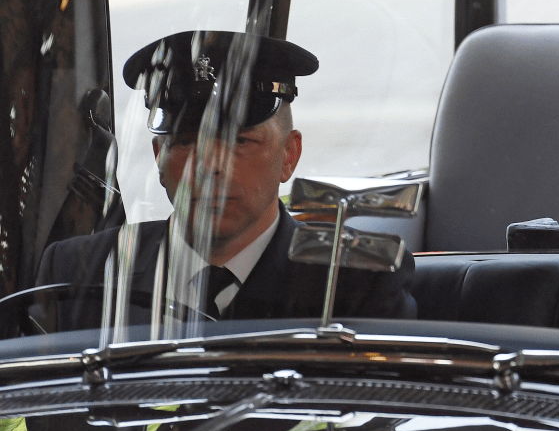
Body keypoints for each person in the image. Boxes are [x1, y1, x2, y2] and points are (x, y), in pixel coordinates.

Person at [34, 29, 417, 331]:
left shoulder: (357, 279)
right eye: (185, 142)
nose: (209, 167)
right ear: (158, 159)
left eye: (240, 142)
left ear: (289, 156)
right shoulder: (79, 274)